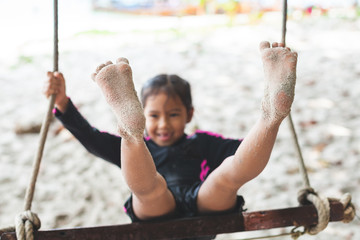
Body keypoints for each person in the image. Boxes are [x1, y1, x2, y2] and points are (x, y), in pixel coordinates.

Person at [44, 41, 297, 238]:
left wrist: (64, 106)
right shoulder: (146, 154)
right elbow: (92, 138)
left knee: (225, 176)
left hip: (202, 203)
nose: (163, 124)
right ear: (143, 115)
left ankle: (271, 115)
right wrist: (62, 103)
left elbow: (245, 153)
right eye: (153, 115)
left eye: (173, 114)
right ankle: (130, 132)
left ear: (189, 114)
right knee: (151, 187)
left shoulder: (204, 141)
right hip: (161, 207)